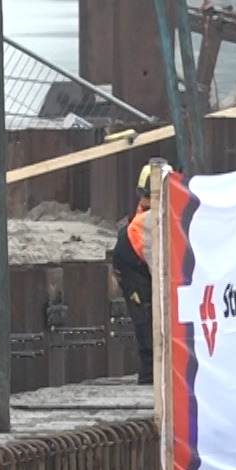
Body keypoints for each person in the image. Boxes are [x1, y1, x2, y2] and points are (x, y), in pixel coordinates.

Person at [111, 165, 156, 385]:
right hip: (132, 264)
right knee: (145, 315)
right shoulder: (145, 222)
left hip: (139, 260)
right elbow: (155, 264)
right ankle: (149, 375)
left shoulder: (149, 215)